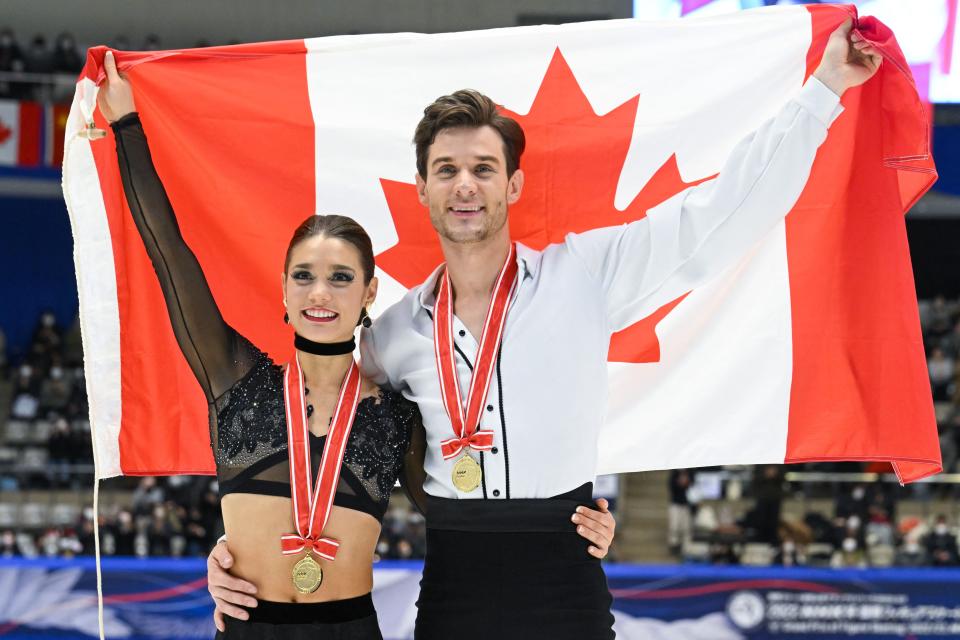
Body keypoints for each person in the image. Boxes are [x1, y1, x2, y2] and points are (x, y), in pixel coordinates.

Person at [209, 19, 879, 639]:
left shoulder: (582, 275)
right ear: (422, 188)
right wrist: (234, 552)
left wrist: (823, 91)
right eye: (446, 170)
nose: (465, 186)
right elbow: (331, 460)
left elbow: (717, 215)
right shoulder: (390, 337)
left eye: (483, 169)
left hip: (565, 579)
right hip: (454, 592)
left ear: (515, 184)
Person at [96, 51, 613, 639]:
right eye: (304, 276)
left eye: (341, 277)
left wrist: (572, 524)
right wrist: (128, 127)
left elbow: (475, 512)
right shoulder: (234, 381)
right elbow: (170, 257)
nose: (321, 293)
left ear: (368, 291)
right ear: (283, 292)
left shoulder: (393, 411)